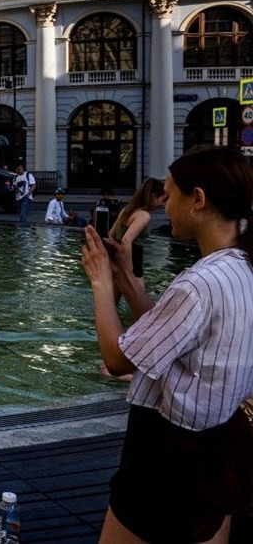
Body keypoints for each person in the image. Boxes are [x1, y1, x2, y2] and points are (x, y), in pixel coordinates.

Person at [80, 145, 253, 543]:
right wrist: (125, 276)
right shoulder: (241, 264)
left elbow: (118, 358)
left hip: (167, 458)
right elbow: (171, 334)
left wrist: (101, 283)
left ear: (198, 200)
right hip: (221, 448)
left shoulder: (198, 283)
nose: (166, 205)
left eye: (171, 194)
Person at [111, 177, 166, 280]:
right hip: (133, 262)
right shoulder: (144, 215)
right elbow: (126, 240)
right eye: (163, 199)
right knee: (139, 295)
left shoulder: (126, 211)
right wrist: (129, 269)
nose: (163, 204)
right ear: (153, 196)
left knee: (112, 296)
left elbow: (111, 235)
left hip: (117, 260)